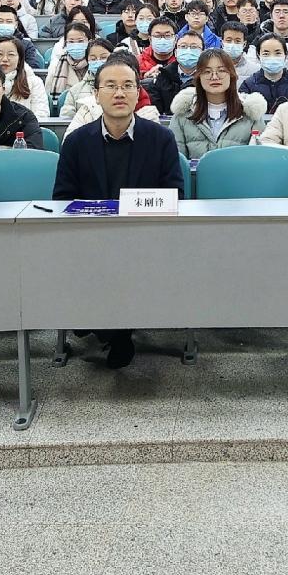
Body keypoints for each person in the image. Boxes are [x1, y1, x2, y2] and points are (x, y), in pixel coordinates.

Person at [52, 54, 187, 368]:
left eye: (127, 85)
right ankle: (113, 331)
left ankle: (113, 330)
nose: (119, 93)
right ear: (96, 94)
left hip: (144, 237)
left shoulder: (161, 138)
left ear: (138, 92)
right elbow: (62, 198)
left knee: (125, 264)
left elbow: (175, 195)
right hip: (90, 239)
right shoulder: (76, 142)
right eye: (110, 86)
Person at [171, 49, 268, 160]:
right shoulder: (182, 116)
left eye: (221, 70)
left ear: (231, 75)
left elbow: (260, 159)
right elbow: (176, 161)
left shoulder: (251, 114)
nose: (214, 77)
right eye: (207, 72)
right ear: (199, 77)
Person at [0, 36, 51, 120]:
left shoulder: (34, 82)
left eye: (11, 54)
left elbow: (41, 114)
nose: (5, 59)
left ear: (20, 59)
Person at [240, 34, 288, 112]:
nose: (272, 58)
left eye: (277, 53)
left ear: (286, 55)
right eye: (266, 54)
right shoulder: (248, 85)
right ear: (258, 56)